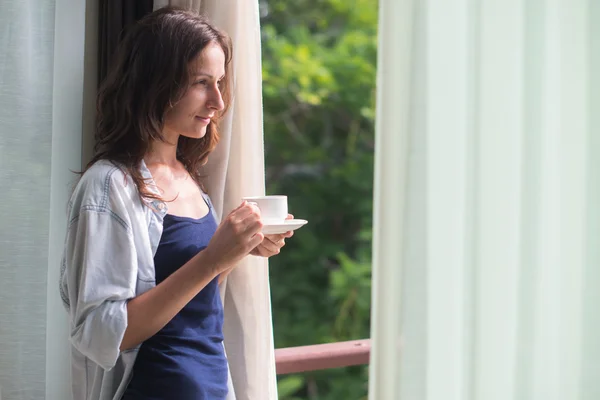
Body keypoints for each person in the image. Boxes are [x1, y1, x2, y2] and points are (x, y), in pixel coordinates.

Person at [59, 7, 292, 400]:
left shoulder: (188, 178)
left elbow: (193, 304)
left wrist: (237, 249)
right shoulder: (107, 187)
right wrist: (213, 258)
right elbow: (100, 331)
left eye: (219, 83)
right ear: (157, 83)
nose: (218, 101)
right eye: (202, 83)